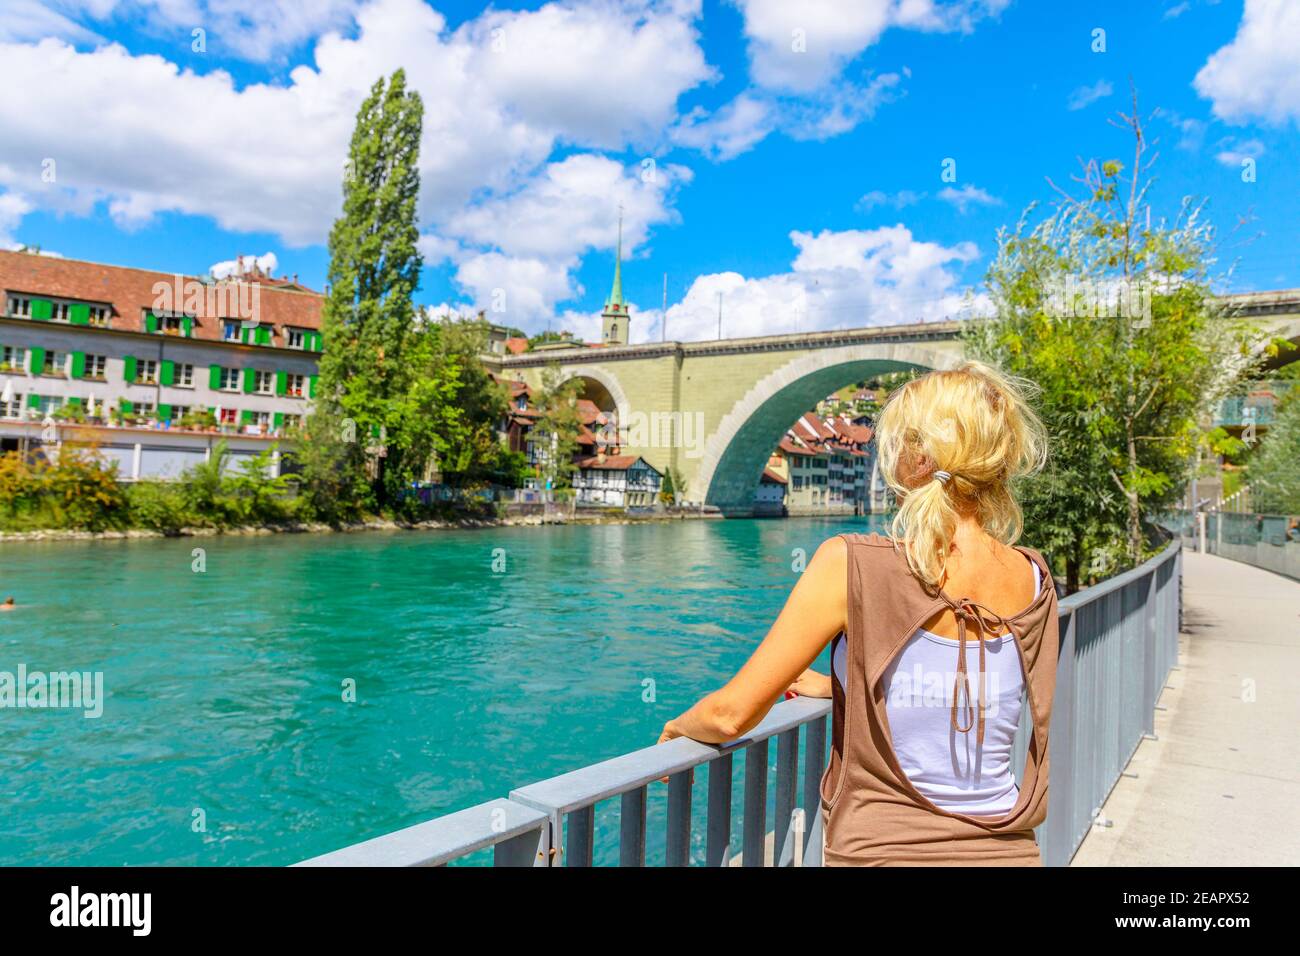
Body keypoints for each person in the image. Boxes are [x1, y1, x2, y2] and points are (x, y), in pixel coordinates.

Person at [658, 361, 1059, 866]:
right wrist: (851, 677)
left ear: (915, 457)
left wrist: (679, 727)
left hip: (881, 854)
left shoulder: (853, 563)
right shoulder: (1034, 576)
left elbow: (730, 715)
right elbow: (976, 680)